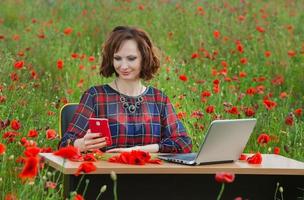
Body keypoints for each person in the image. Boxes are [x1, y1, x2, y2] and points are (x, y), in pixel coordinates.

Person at [59, 26, 192, 153]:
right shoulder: (95, 96)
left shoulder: (159, 99)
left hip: (151, 174)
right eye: (117, 58)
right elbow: (64, 143)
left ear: (144, 59)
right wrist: (80, 144)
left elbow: (184, 143)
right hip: (106, 174)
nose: (123, 66)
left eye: (131, 59)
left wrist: (139, 150)